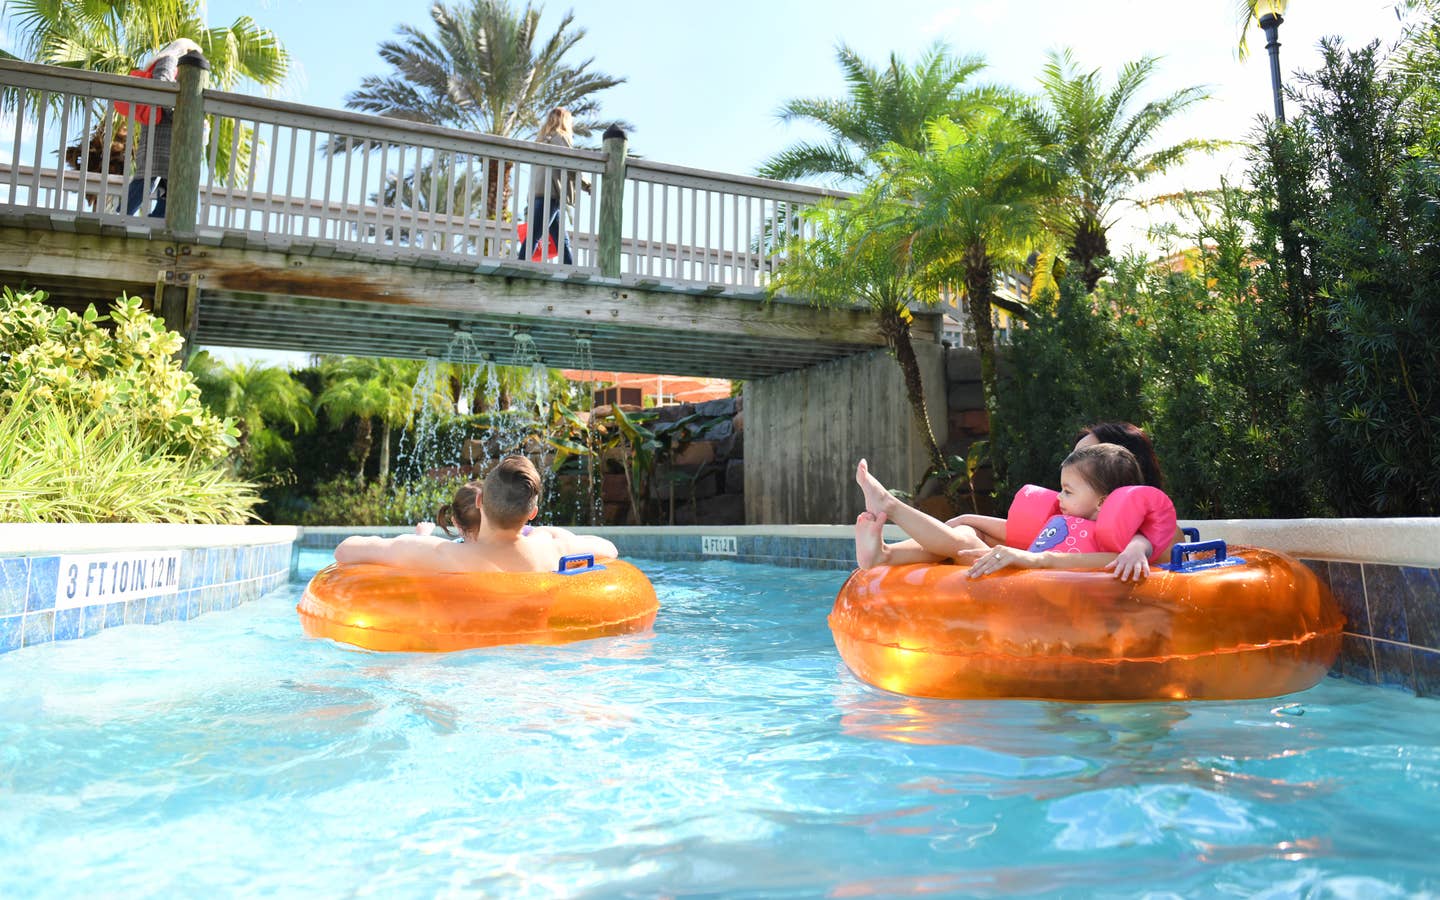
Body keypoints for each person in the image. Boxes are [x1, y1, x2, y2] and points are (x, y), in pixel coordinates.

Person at [855, 421, 1171, 581]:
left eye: (1086, 455)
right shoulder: (1076, 511)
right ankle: (883, 553)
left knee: (965, 544)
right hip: (1030, 570)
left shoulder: (1135, 525)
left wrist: (1136, 547)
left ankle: (891, 510)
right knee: (967, 535)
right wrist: (972, 518)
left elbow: (1144, 543)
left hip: (1045, 580)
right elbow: (1036, 533)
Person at [334, 456, 617, 573]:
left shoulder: (443, 555)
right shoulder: (554, 545)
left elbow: (344, 551)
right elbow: (610, 550)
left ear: (479, 500)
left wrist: (417, 539)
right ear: (533, 513)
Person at [963, 442, 1155, 578]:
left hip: (1074, 606)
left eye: (1068, 491)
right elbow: (1010, 530)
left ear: (1102, 502)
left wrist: (1137, 550)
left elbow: (1140, 541)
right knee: (964, 535)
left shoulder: (1123, 534)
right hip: (1045, 592)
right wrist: (967, 519)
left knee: (957, 542)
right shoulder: (1062, 522)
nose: (1058, 496)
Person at [124, 38, 202, 218]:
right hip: (160, 137)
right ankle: (122, 215)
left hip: (165, 137)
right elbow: (161, 88)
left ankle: (156, 218)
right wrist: (181, 115)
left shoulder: (169, 60)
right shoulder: (170, 59)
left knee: (166, 185)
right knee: (147, 180)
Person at [517, 107, 589, 265]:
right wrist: (587, 185)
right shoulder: (561, 137)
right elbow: (571, 165)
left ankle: (570, 270)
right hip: (551, 194)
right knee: (535, 236)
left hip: (538, 194)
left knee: (561, 241)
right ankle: (518, 267)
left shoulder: (541, 140)